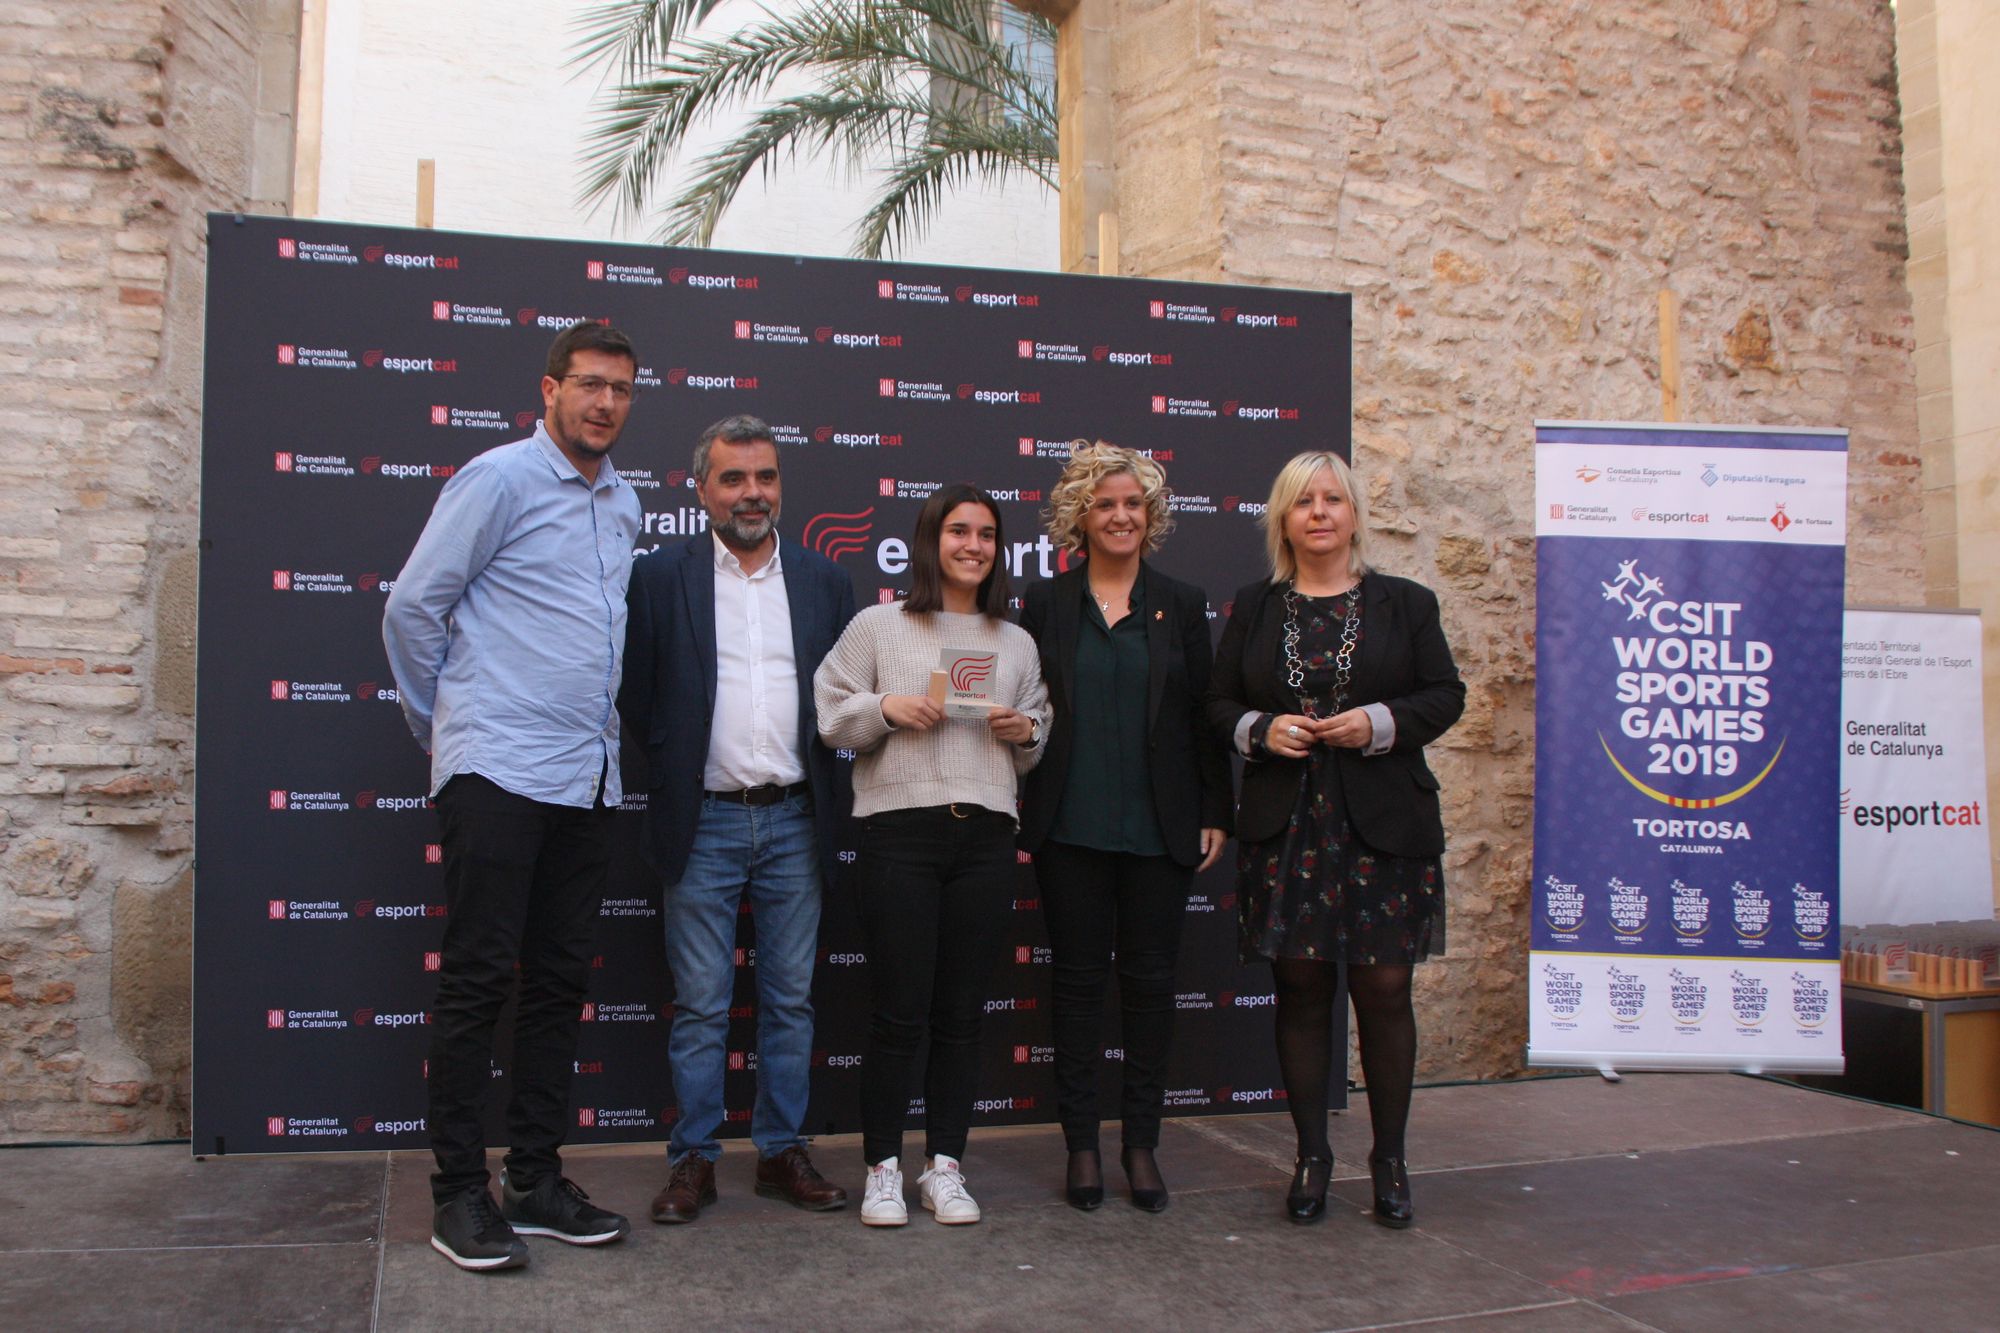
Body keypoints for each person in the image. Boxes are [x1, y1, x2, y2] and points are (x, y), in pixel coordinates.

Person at [382, 321, 642, 1272]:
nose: (605, 402)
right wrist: (449, 725)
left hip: (588, 775)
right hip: (498, 765)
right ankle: (458, 1192)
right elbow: (414, 607)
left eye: (619, 388)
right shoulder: (496, 479)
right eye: (588, 385)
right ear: (549, 390)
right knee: (481, 979)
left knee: (559, 986)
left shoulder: (624, 504)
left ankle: (533, 1179)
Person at [1205, 450, 1464, 1230]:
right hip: (1289, 825)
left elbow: (1445, 694)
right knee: (1303, 989)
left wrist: (1377, 723)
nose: (1319, 512)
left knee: (1385, 991)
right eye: (1302, 502)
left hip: (1384, 822)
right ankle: (1312, 1155)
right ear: (1284, 520)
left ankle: (1389, 1158)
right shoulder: (1255, 605)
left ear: (1353, 514)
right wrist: (1262, 729)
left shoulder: (1406, 603)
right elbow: (1216, 702)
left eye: (1332, 499)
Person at [619, 415, 856, 1224]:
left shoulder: (826, 581)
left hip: (797, 819)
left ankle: (782, 1151)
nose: (751, 492)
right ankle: (692, 1161)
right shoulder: (658, 578)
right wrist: (686, 778)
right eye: (733, 478)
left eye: (765, 477)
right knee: (702, 1005)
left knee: (791, 1001)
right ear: (702, 490)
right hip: (703, 821)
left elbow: (839, 701)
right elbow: (637, 702)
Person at [813, 484, 1051, 1228]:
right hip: (900, 835)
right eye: (958, 531)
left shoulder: (1014, 640)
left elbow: (1040, 727)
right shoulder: (879, 625)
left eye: (985, 533)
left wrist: (1024, 729)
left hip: (984, 836)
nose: (973, 545)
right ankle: (882, 1168)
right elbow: (829, 716)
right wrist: (886, 709)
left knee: (961, 1016)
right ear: (930, 539)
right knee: (898, 1013)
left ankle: (944, 1165)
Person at [1017, 442, 1231, 1213]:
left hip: (1160, 831)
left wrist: (1215, 811)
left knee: (1149, 989)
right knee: (1074, 990)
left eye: (1133, 504)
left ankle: (1140, 1144)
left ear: (1151, 516)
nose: (1120, 516)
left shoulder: (1182, 601)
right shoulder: (1045, 604)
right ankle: (1081, 1145)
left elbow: (1206, 721)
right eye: (1105, 504)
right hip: (1068, 828)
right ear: (1081, 515)